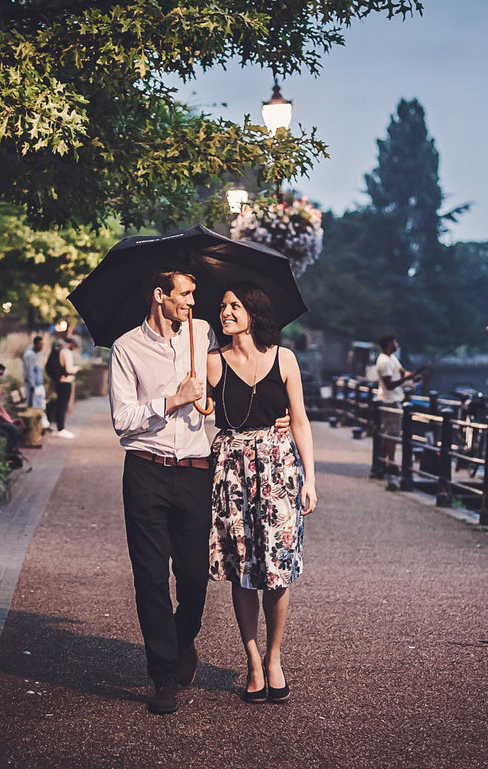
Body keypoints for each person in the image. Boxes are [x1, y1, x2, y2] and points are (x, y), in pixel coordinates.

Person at [108, 269, 217, 715]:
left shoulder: (203, 333)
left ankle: (181, 639)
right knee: (151, 577)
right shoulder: (126, 348)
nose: (191, 302)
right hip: (146, 471)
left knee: (194, 576)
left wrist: (277, 416)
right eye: (185, 294)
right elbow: (123, 418)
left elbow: (229, 386)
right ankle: (163, 677)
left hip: (195, 471)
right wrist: (173, 398)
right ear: (160, 295)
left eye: (193, 294)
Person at [205, 282, 317, 704]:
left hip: (278, 470)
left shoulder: (283, 358)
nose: (226, 312)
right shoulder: (213, 362)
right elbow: (202, 416)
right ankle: (251, 658)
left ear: (254, 311)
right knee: (242, 567)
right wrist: (200, 402)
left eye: (234, 305)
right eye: (222, 306)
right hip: (232, 471)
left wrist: (311, 477)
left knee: (277, 567)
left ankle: (274, 657)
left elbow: (301, 421)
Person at [374, 332, 421, 477]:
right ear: (389, 344)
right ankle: (389, 463)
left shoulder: (392, 358)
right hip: (389, 401)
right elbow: (389, 385)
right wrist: (405, 380)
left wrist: (412, 375)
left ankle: (386, 462)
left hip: (395, 401)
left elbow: (402, 372)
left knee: (392, 433)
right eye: (395, 342)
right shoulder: (383, 361)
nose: (397, 344)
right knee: (391, 434)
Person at [47, 335, 79, 439]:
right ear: (72, 344)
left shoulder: (59, 349)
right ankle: (61, 428)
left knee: (60, 404)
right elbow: (69, 369)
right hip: (65, 382)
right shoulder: (67, 352)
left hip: (59, 381)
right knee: (62, 405)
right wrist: (77, 369)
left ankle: (59, 427)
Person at [21, 335, 49, 424]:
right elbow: (29, 371)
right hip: (33, 385)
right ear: (35, 344)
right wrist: (32, 385)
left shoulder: (39, 354)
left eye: (42, 344)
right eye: (40, 344)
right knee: (34, 405)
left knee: (41, 404)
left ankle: (43, 424)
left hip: (39, 383)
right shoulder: (29, 355)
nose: (42, 347)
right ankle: (37, 424)